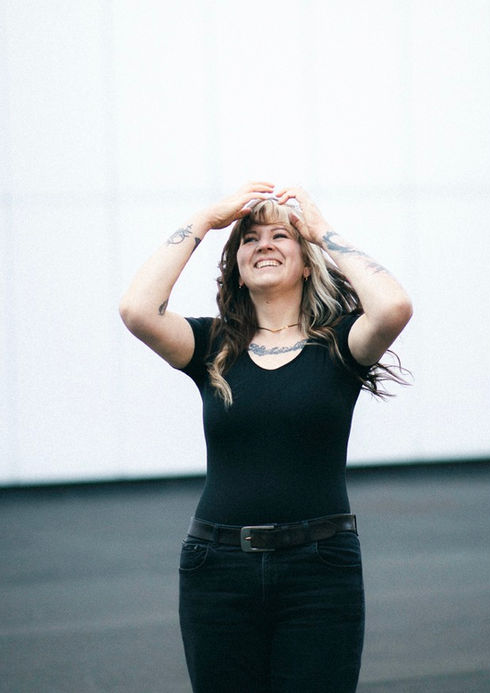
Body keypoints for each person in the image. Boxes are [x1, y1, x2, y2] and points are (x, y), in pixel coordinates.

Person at [119, 181, 413, 693]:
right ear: (236, 264)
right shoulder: (212, 344)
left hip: (320, 570)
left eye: (282, 236)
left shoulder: (342, 343)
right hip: (216, 569)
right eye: (250, 239)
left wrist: (322, 232)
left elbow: (393, 307)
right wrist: (207, 221)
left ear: (305, 263)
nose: (264, 245)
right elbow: (137, 311)